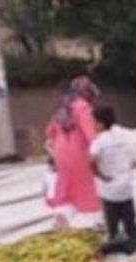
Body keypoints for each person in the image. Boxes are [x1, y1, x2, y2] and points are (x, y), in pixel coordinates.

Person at [44, 76, 102, 221]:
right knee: (85, 189)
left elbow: (49, 133)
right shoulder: (83, 107)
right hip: (78, 154)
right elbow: (90, 134)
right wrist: (98, 152)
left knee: (65, 188)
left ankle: (62, 221)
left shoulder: (62, 107)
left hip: (60, 154)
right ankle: (90, 223)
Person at [88, 106, 136, 251]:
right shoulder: (123, 135)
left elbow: (91, 161)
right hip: (126, 184)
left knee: (112, 220)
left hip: (109, 186)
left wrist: (99, 175)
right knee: (130, 218)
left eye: (93, 121)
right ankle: (133, 241)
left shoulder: (99, 141)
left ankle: (115, 244)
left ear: (100, 123)